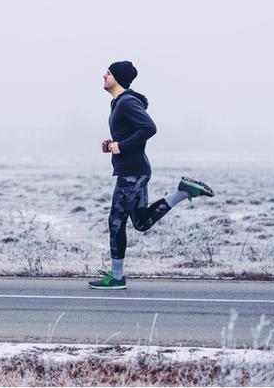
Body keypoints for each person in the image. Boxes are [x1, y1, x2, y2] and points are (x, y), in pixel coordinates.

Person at [91, 61, 215, 290]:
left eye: (108, 73)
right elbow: (131, 132)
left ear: (118, 77)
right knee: (141, 222)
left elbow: (149, 128)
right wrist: (113, 144)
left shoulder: (126, 102)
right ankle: (182, 192)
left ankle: (117, 277)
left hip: (132, 173)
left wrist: (122, 146)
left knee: (116, 221)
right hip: (135, 170)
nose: (103, 76)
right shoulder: (118, 102)